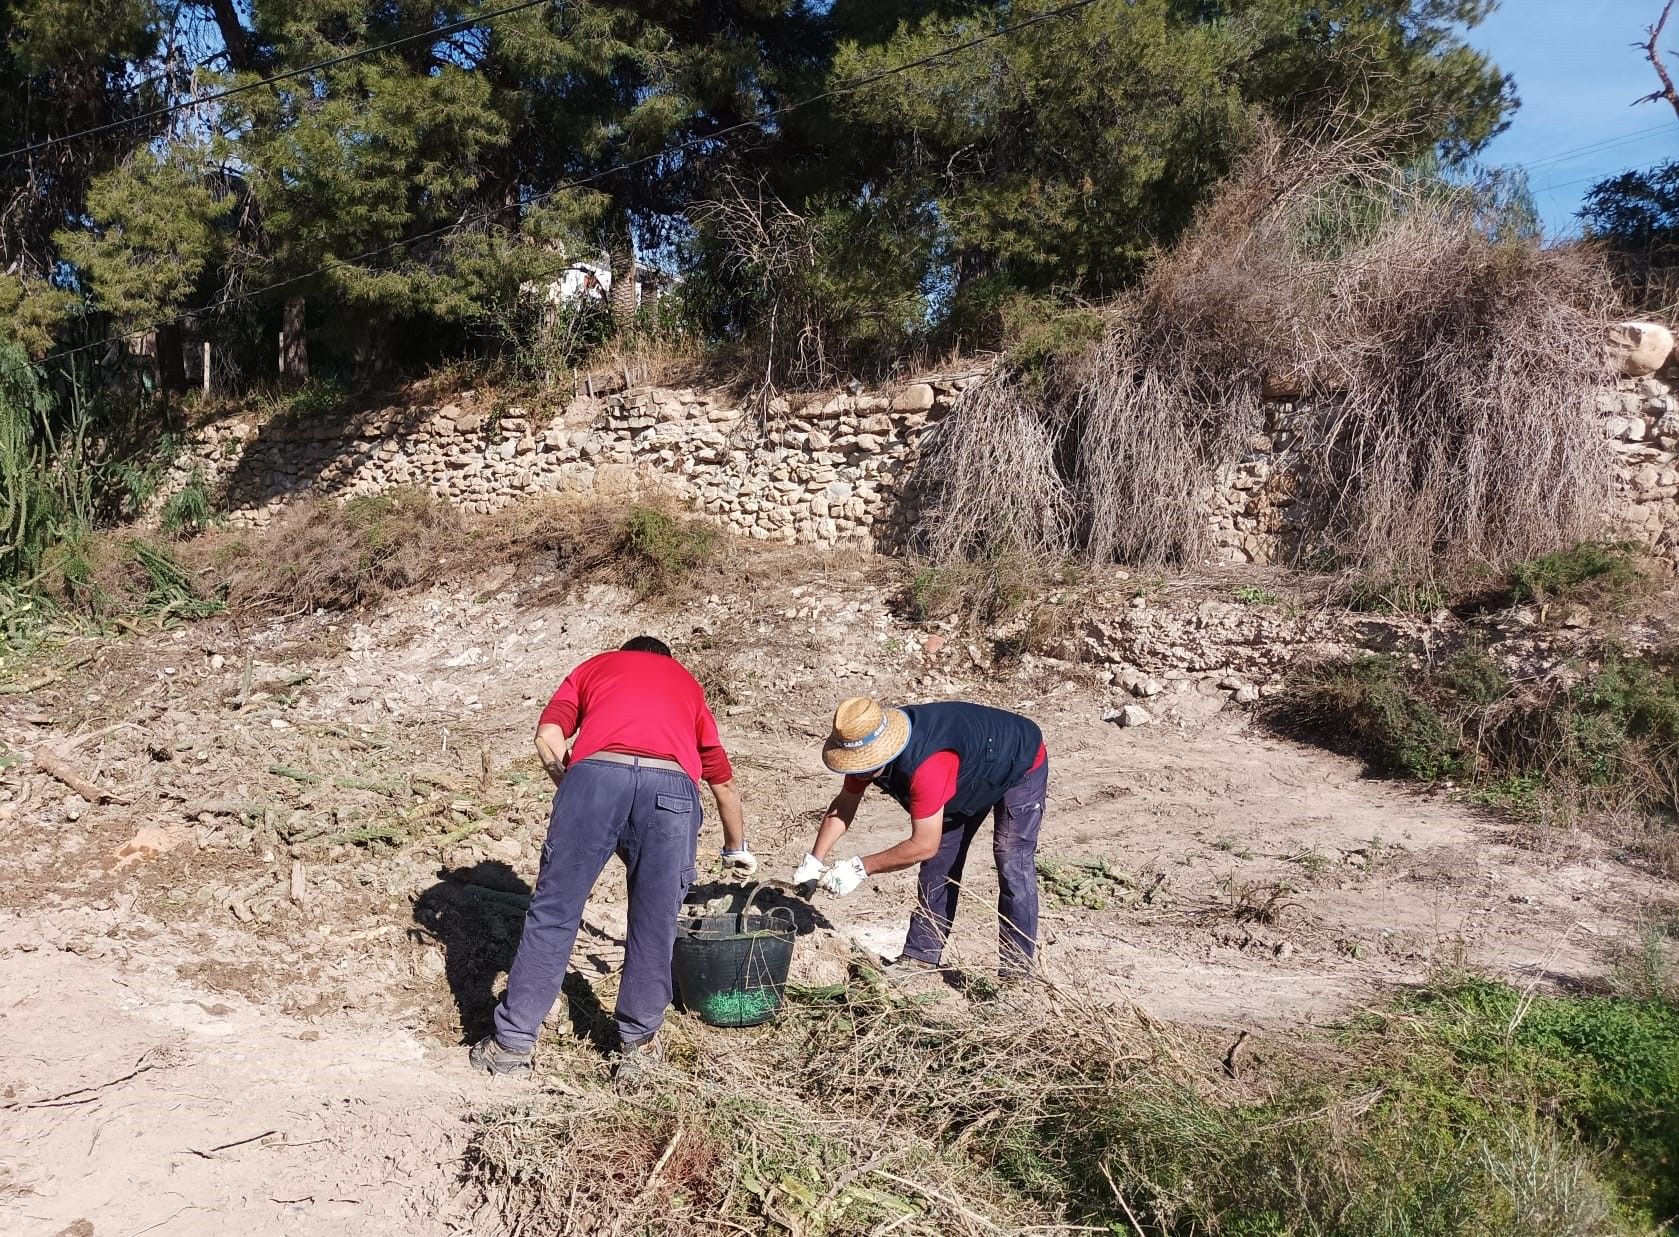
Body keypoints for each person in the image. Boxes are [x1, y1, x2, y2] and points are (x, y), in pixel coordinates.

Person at [470, 635, 752, 1079]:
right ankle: (638, 1052)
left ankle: (511, 1045)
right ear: (666, 661)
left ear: (624, 653)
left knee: (554, 913)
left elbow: (548, 736)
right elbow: (724, 785)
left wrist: (576, 790)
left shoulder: (595, 667)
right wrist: (736, 849)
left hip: (594, 778)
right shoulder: (687, 684)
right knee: (655, 921)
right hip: (670, 791)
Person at [795, 696, 1047, 980]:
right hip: (966, 772)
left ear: (882, 751)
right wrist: (814, 861)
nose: (858, 773)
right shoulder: (862, 749)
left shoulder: (927, 765)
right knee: (939, 865)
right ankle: (921, 956)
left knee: (1012, 859)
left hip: (1018, 760)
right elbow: (844, 805)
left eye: (863, 765)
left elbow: (923, 845)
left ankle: (1017, 971)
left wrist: (859, 868)